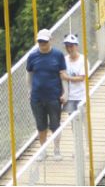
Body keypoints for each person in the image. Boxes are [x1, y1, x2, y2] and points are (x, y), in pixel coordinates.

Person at [26, 29, 67, 159]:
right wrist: (30, 90)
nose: (42, 44)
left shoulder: (58, 55)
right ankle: (43, 150)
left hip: (53, 96)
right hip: (37, 97)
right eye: (40, 42)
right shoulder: (32, 56)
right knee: (41, 125)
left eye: (44, 41)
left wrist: (65, 92)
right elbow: (29, 75)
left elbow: (63, 74)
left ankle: (57, 150)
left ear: (50, 40)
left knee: (55, 124)